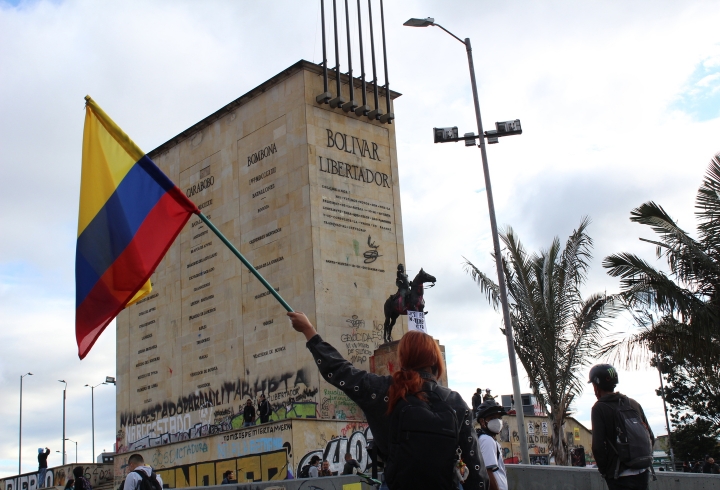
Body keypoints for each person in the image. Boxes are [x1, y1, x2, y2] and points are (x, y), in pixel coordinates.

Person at [288, 311, 488, 490]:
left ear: (403, 358)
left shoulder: (384, 391)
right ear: (436, 360)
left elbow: (340, 371)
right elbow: (476, 468)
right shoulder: (456, 403)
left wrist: (309, 331)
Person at [589, 364, 654, 489]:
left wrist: (606, 472)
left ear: (596, 386)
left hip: (619, 475)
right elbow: (650, 436)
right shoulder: (633, 403)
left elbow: (598, 447)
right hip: (643, 472)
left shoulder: (599, 408)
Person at [475, 399, 508, 490]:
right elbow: (487, 473)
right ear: (482, 422)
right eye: (492, 418)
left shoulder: (486, 439)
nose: (497, 421)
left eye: (499, 418)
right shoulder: (487, 440)